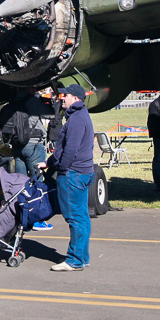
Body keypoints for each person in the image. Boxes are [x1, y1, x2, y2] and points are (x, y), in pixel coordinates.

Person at [39, 85, 95, 272]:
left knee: (75, 218)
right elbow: (62, 150)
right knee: (82, 217)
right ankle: (82, 257)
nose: (62, 98)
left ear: (76, 98)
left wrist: (62, 168)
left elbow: (70, 149)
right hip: (82, 172)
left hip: (74, 174)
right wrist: (49, 162)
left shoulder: (77, 119)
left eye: (66, 95)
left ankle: (75, 260)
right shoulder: (79, 116)